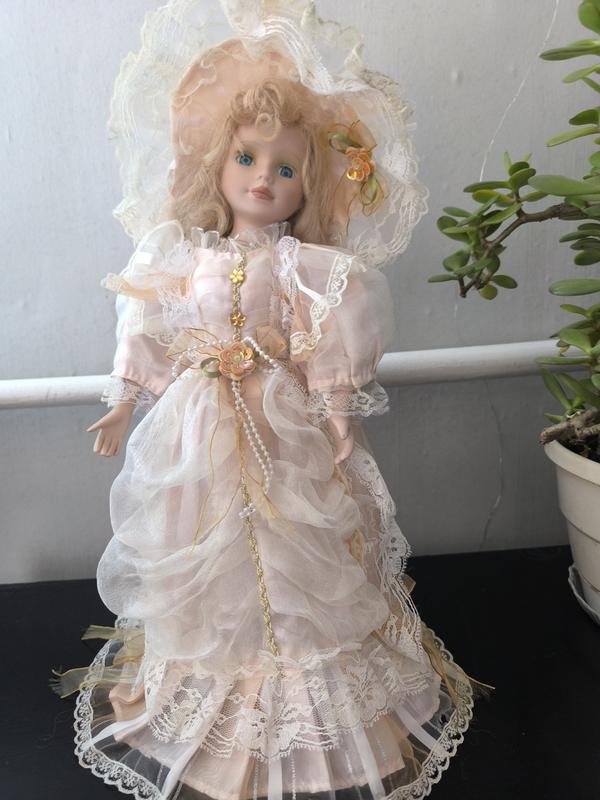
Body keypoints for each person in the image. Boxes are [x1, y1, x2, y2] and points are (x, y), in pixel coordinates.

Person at [51, 4, 491, 799]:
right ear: (216, 163)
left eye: (285, 169)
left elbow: (330, 338)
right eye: (248, 158)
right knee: (200, 541)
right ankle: (207, 684)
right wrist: (125, 399)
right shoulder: (181, 253)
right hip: (197, 423)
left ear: (307, 184)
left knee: (298, 547)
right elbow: (148, 325)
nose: (262, 178)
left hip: (280, 422)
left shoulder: (304, 266)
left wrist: (338, 414)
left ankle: (306, 701)